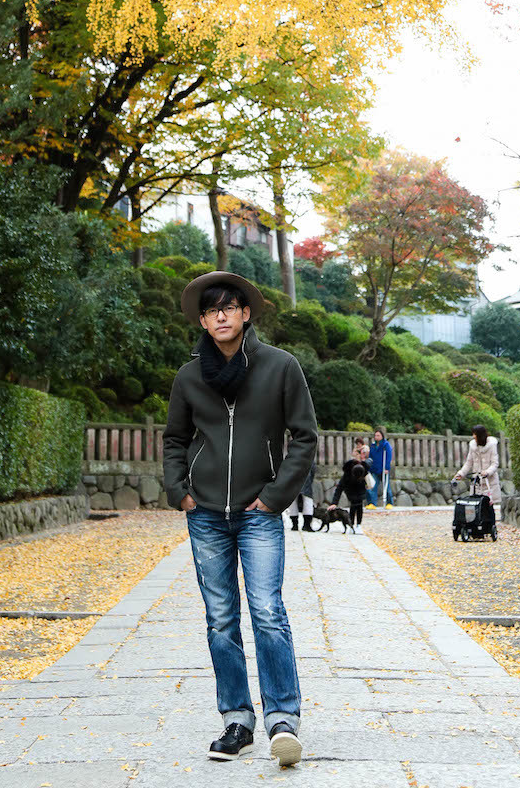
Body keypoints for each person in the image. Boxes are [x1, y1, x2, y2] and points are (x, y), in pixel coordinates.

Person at [163, 271, 318, 767]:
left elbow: (305, 436)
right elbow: (174, 440)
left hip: (258, 513)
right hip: (205, 514)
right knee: (220, 619)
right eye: (212, 311)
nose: (221, 316)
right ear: (204, 321)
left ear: (246, 313)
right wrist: (178, 491)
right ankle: (236, 720)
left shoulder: (280, 367)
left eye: (230, 307)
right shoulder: (189, 376)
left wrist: (275, 498)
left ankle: (282, 721)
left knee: (268, 612)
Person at [454, 423, 501, 527]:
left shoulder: (492, 445)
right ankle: (476, 526)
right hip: (477, 481)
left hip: (489, 481)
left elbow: (495, 463)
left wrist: (487, 472)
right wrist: (461, 474)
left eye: (475, 434)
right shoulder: (473, 446)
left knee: (488, 505)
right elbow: (469, 462)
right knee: (475, 504)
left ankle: (491, 527)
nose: (473, 436)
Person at [332, 449, 369, 534]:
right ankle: (351, 524)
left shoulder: (364, 467)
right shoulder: (348, 470)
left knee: (359, 505)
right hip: (350, 490)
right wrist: (334, 502)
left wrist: (364, 460)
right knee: (353, 505)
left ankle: (358, 525)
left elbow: (369, 468)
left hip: (360, 488)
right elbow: (339, 488)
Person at [367, 428, 393, 508]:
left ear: (382, 436)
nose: (376, 437)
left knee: (386, 486)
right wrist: (370, 467)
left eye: (378, 435)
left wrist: (387, 468)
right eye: (375, 435)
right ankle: (373, 503)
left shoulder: (386, 445)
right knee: (373, 487)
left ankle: (389, 503)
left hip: (383, 469)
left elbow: (388, 457)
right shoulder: (373, 445)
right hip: (375, 469)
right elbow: (370, 457)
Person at [288, 460, 316, 531]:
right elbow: (313, 471)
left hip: (294, 482)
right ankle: (306, 525)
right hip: (305, 481)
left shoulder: (291, 458)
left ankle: (295, 525)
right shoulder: (309, 457)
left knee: (294, 503)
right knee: (307, 502)